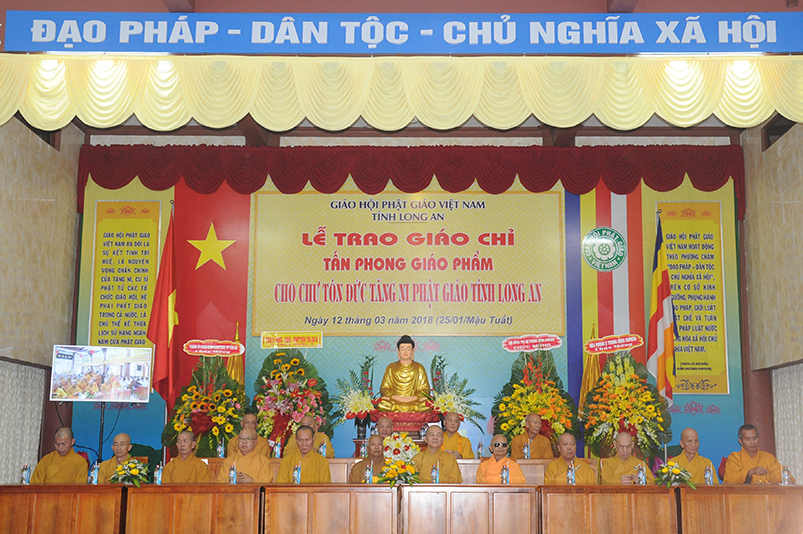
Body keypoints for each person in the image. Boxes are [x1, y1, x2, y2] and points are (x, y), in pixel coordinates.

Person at [377, 335, 431, 412]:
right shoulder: (391, 367)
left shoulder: (419, 368)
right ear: (398, 351)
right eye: (402, 349)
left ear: (413, 351)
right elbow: (384, 388)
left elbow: (425, 389)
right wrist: (394, 397)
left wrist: (414, 398)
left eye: (408, 349)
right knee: (381, 404)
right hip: (395, 401)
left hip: (413, 401)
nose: (405, 352)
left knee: (426, 404)